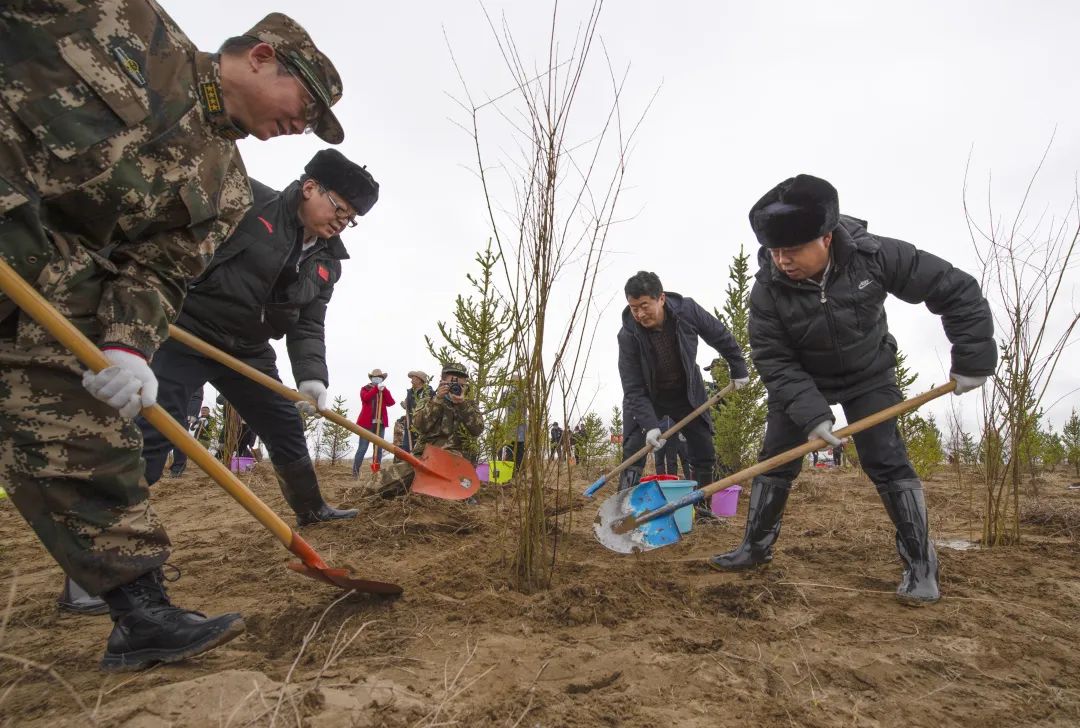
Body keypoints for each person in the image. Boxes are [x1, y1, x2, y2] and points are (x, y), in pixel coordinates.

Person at [2, 3, 344, 669]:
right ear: (261, 56)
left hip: (42, 288)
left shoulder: (226, 186)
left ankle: (138, 612)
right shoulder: (126, 20)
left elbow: (161, 267)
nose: (300, 125)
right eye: (303, 103)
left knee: (90, 429)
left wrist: (128, 345)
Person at [709, 174, 996, 606]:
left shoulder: (874, 255)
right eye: (774, 251)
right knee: (774, 460)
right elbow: (773, 359)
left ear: (826, 237)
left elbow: (955, 289)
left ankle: (920, 563)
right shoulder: (767, 289)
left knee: (886, 458)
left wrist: (973, 360)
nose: (781, 261)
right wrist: (812, 415)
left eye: (793, 250)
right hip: (802, 379)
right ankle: (755, 548)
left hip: (869, 374)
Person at [139, 147, 375, 532]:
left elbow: (308, 324)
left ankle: (311, 508)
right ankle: (95, 562)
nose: (341, 222)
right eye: (338, 208)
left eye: (350, 219)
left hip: (248, 348)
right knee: (151, 429)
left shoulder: (327, 262)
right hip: (187, 333)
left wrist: (312, 376)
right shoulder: (248, 203)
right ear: (310, 187)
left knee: (284, 424)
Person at [617, 271, 750, 517]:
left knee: (703, 450)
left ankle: (701, 508)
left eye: (644, 306)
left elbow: (719, 334)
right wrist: (649, 425)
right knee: (633, 450)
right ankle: (623, 513)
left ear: (661, 299)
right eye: (633, 308)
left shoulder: (686, 311)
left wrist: (738, 367)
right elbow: (633, 386)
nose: (639, 314)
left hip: (686, 393)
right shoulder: (628, 334)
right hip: (648, 398)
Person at [377, 363, 484, 497]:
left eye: (460, 385)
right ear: (442, 382)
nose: (455, 388)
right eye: (451, 384)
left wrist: (462, 405)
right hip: (426, 459)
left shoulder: (470, 406)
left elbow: (477, 429)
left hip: (456, 462)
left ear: (466, 386)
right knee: (387, 478)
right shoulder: (428, 401)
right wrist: (437, 400)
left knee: (453, 487)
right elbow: (420, 425)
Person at [353, 368, 395, 476]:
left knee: (378, 449)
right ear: (371, 378)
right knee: (362, 448)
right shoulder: (365, 389)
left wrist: (384, 390)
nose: (377, 379)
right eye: (375, 377)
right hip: (366, 424)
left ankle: (376, 474)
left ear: (382, 379)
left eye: (379, 378)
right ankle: (355, 473)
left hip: (380, 424)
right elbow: (366, 398)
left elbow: (391, 402)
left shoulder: (384, 390)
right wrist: (376, 389)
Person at [168, 388, 205, 478]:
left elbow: (196, 394)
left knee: (180, 438)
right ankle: (155, 467)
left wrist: (192, 413)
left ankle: (178, 468)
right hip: (166, 407)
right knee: (159, 436)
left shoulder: (193, 374)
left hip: (184, 412)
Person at [403, 370, 435, 452]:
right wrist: (405, 404)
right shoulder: (410, 392)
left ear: (419, 380)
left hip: (423, 425)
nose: (411, 381)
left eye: (413, 379)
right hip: (410, 425)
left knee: (422, 449)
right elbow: (408, 406)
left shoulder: (429, 392)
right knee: (407, 447)